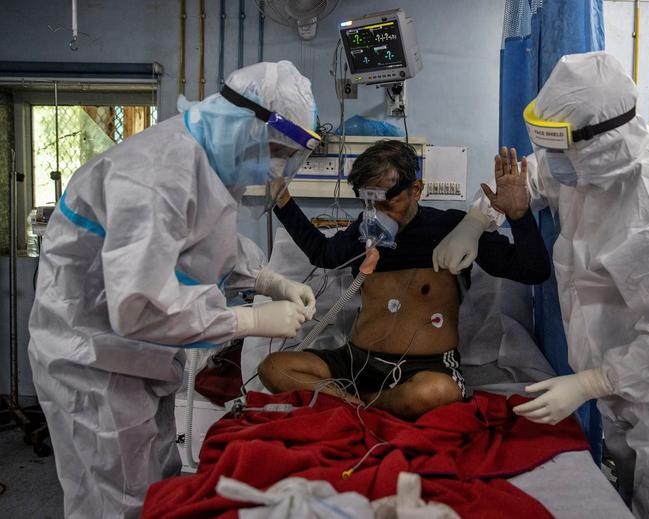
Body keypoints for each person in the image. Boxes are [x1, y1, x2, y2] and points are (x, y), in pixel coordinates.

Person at [432, 51, 649, 519]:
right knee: (627, 455)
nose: (550, 161)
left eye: (559, 148)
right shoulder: (586, 158)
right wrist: (476, 219)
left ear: (599, 141)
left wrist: (592, 381)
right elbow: (535, 174)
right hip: (632, 336)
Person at [27, 61, 321, 518]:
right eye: (276, 149)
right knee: (115, 498)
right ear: (246, 124)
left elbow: (201, 240)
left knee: (155, 485)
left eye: (287, 154)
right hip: (93, 361)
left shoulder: (205, 161)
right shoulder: (155, 174)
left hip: (137, 358)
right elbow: (138, 306)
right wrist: (247, 320)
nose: (276, 165)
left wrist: (266, 279)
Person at [258, 139, 550, 418]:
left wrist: (519, 216)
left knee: (436, 392)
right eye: (369, 205)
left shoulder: (454, 229)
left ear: (416, 190)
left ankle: (359, 403)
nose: (377, 216)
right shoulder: (364, 232)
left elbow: (532, 271)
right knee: (274, 368)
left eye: (388, 204)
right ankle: (361, 403)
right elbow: (322, 253)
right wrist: (282, 198)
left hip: (425, 368)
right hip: (357, 360)